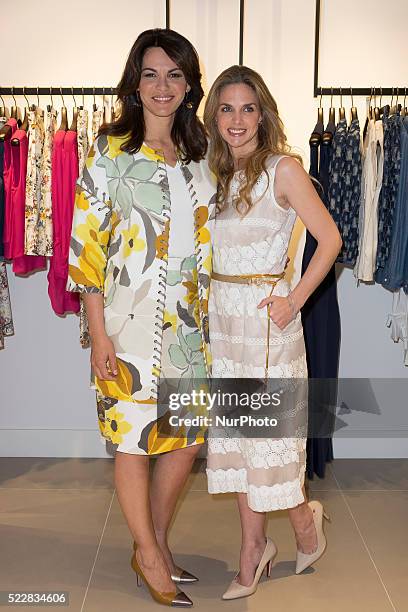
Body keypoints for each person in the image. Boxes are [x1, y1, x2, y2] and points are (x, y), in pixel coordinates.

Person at [67, 29, 216, 607]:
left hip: (188, 328)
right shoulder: (108, 152)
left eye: (174, 75)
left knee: (184, 441)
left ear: (188, 85)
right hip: (125, 326)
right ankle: (151, 553)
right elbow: (87, 250)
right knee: (132, 441)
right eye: (151, 74)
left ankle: (148, 540)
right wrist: (98, 331)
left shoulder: (202, 157)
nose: (163, 86)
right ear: (135, 82)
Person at [203, 65, 342, 600]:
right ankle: (255, 549)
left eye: (247, 108)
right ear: (214, 116)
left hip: (267, 323)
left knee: (273, 446)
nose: (237, 120)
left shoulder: (284, 169)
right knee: (240, 444)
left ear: (263, 113)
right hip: (225, 322)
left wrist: (294, 300)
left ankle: (304, 525)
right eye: (226, 108)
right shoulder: (215, 174)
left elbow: (329, 239)